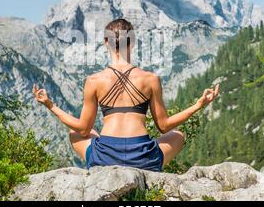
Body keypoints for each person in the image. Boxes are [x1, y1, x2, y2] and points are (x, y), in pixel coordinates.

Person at [33, 18, 219, 172]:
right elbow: (164, 126)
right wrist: (198, 105)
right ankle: (148, 169)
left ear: (106, 42)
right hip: (143, 156)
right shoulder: (150, 79)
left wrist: (50, 104)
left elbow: (82, 129)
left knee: (76, 133)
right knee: (177, 135)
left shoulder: (94, 80)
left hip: (105, 157)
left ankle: (98, 167)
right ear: (133, 42)